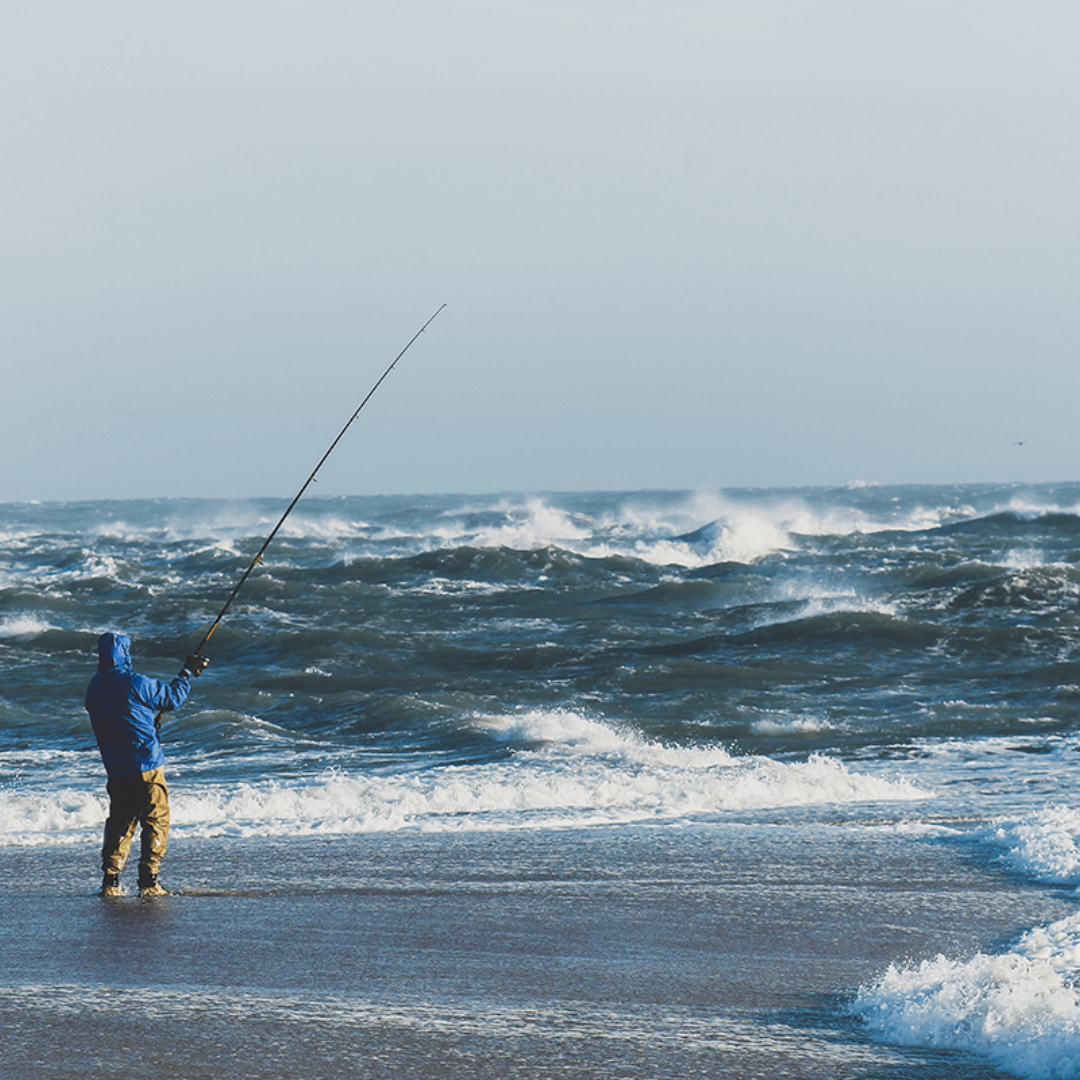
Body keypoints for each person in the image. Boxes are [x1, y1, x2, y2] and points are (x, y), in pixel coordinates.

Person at [85, 632, 209, 898]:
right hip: (145, 764)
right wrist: (187, 673)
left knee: (120, 823)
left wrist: (144, 721)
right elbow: (172, 699)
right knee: (156, 820)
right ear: (124, 655)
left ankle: (110, 882)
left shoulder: (94, 688)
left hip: (116, 768)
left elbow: (119, 717)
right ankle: (149, 882)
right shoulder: (135, 682)